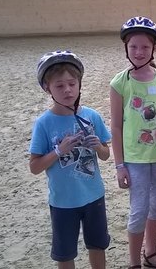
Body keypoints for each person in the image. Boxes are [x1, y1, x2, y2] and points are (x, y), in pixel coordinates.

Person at [29, 50, 111, 268]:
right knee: (65, 253)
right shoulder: (44, 123)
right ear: (48, 88)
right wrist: (58, 151)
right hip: (63, 202)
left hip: (94, 197)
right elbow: (34, 167)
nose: (67, 90)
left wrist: (98, 147)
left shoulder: (92, 116)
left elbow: (105, 155)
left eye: (72, 83)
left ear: (79, 84)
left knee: (97, 245)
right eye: (59, 85)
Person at [109, 16, 156, 269]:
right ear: (126, 48)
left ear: (154, 49)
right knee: (139, 210)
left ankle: (151, 253)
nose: (139, 52)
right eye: (134, 47)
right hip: (135, 158)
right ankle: (133, 262)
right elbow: (115, 126)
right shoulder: (120, 83)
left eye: (145, 47)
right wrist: (119, 165)